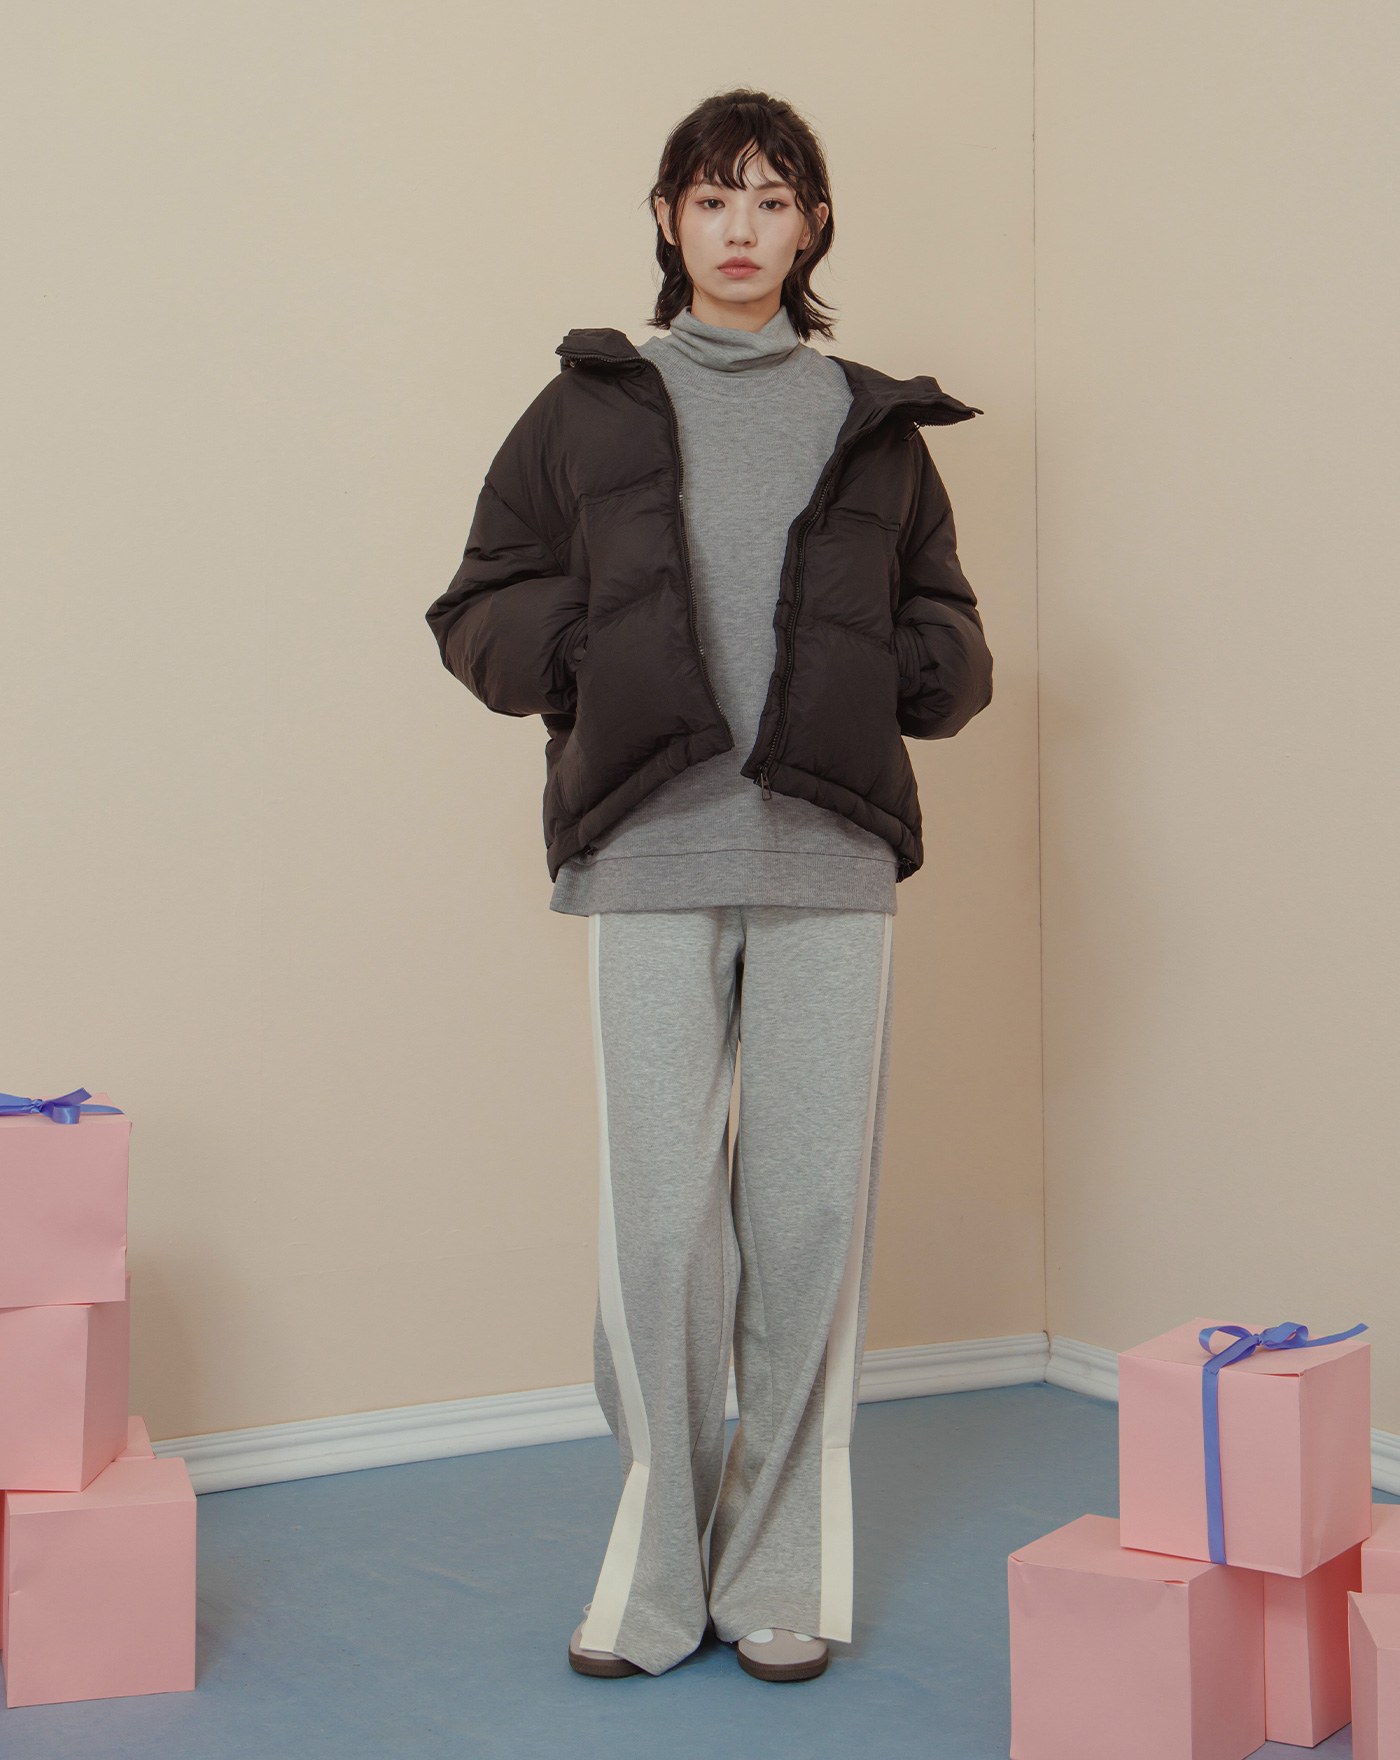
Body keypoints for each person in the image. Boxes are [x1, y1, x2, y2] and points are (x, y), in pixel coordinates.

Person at [425, 87, 993, 1683]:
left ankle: (780, 1573)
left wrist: (916, 669)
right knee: (661, 1232)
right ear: (669, 219)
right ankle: (659, 1575)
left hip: (831, 855)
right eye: (713, 197)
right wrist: (590, 658)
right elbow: (481, 599)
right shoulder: (588, 407)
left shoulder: (870, 421)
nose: (742, 227)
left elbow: (945, 617)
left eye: (774, 198)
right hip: (649, 848)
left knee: (807, 1219)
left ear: (814, 226)